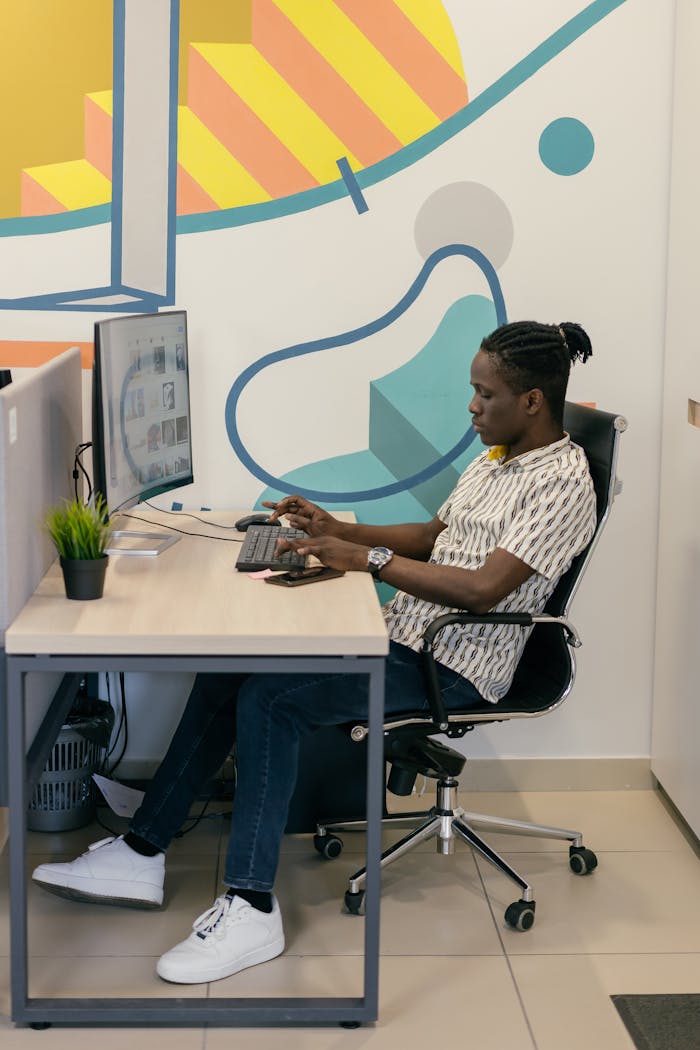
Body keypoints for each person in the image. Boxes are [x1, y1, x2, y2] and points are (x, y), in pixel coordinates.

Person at [32, 319, 597, 985]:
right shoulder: (497, 457)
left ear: (532, 400)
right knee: (228, 672)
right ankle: (141, 849)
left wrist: (366, 560)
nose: (471, 407)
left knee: (272, 702)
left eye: (485, 394)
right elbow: (430, 536)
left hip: (453, 663)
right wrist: (337, 531)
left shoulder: (562, 483)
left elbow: (481, 590)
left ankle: (250, 906)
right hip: (403, 633)